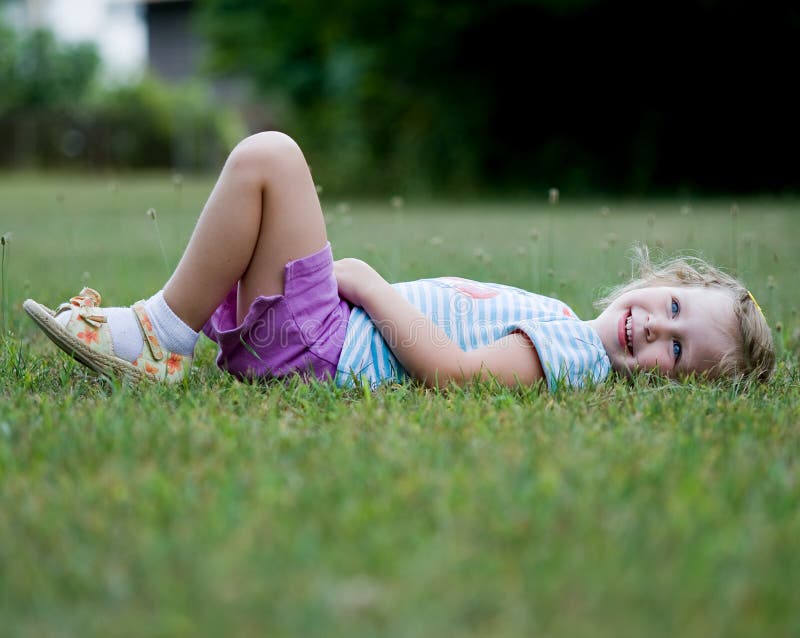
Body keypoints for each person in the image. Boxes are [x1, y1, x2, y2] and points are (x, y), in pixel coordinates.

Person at [23, 132, 776, 391]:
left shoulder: (575, 354)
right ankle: (156, 327)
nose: (653, 333)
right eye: (672, 310)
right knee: (265, 176)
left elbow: (454, 376)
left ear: (672, 386)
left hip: (322, 350)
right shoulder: (568, 326)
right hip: (319, 339)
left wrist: (367, 283)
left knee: (272, 158)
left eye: (678, 355)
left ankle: (159, 336)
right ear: (659, 283)